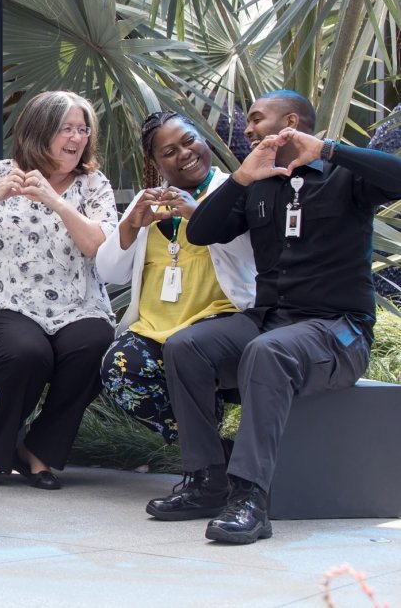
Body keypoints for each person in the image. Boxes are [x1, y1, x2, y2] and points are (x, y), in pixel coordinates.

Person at [148, 90, 401, 544]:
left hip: (337, 331)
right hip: (270, 320)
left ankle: (251, 499)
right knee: (186, 346)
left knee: (268, 352)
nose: (247, 129)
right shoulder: (259, 185)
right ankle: (208, 481)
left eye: (257, 119)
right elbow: (203, 231)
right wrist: (241, 178)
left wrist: (326, 149)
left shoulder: (347, 175)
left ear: (291, 122)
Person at [0, 90, 117, 491]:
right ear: (40, 131)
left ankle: (37, 450)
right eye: (66, 128)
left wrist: (57, 202)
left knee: (96, 342)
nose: (77, 138)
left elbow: (98, 247)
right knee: (27, 351)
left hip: (75, 306)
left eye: (82, 129)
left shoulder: (92, 185)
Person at [96, 111, 255, 447]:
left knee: (188, 354)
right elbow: (110, 271)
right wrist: (131, 225)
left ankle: (206, 462)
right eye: (169, 152)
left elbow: (250, 252)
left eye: (188, 141)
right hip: (156, 327)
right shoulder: (149, 202)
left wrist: (196, 213)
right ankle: (212, 451)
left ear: (203, 139)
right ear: (154, 162)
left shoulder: (234, 190)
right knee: (120, 369)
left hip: (219, 319)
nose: (184, 153)